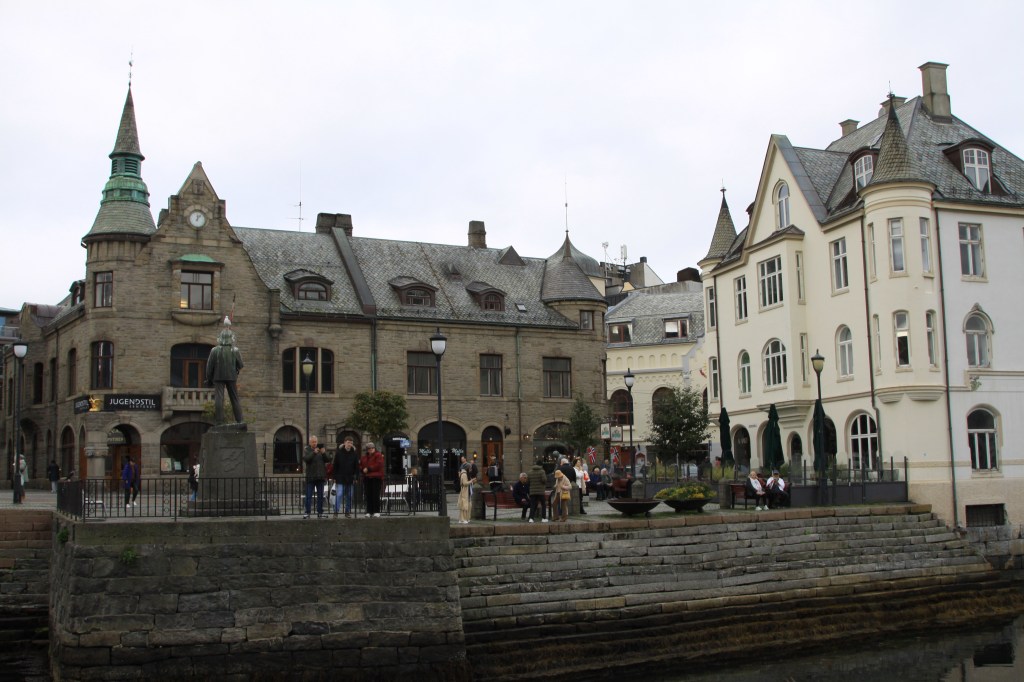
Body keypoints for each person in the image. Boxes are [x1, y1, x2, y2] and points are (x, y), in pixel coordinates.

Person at [205, 326, 244, 425]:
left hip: (218, 376)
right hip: (231, 376)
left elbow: (209, 367)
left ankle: (219, 421)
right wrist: (235, 368)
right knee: (234, 398)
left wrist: (209, 378)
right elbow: (241, 365)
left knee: (219, 398)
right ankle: (240, 420)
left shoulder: (214, 350)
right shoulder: (235, 350)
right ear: (231, 338)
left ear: (220, 338)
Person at [302, 436, 330, 519]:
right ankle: (307, 512)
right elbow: (307, 459)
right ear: (310, 442)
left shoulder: (321, 451)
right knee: (309, 496)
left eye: (315, 442)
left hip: (320, 476)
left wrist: (324, 453)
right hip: (311, 476)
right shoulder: (307, 450)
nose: (314, 443)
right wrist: (314, 452)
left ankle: (320, 512)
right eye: (313, 442)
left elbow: (328, 460)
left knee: (320, 496)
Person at [332, 436, 360, 517]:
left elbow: (357, 467)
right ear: (344, 443)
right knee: (339, 494)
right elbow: (335, 466)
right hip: (340, 477)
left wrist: (356, 477)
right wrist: (334, 477)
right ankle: (336, 511)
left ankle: (347, 512)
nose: (349, 444)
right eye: (348, 442)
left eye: (351, 443)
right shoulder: (339, 453)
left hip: (350, 478)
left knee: (349, 496)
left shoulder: (354, 454)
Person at [360, 442, 385, 517]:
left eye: (372, 448)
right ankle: (369, 511)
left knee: (375, 495)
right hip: (367, 477)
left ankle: (376, 511)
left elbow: (378, 465)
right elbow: (361, 465)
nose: (371, 449)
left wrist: (368, 469)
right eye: (369, 448)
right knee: (368, 495)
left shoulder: (378, 455)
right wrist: (362, 469)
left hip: (376, 477)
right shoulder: (364, 457)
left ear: (374, 448)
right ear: (367, 450)